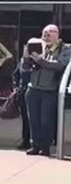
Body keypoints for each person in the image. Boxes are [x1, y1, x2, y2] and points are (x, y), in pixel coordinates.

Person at [24, 24, 69, 157]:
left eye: (50, 33)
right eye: (44, 33)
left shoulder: (65, 49)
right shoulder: (38, 47)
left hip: (50, 90)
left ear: (57, 34)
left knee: (46, 120)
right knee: (33, 119)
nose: (46, 36)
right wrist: (26, 57)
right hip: (33, 89)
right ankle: (35, 145)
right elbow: (26, 68)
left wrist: (40, 59)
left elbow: (59, 65)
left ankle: (45, 146)